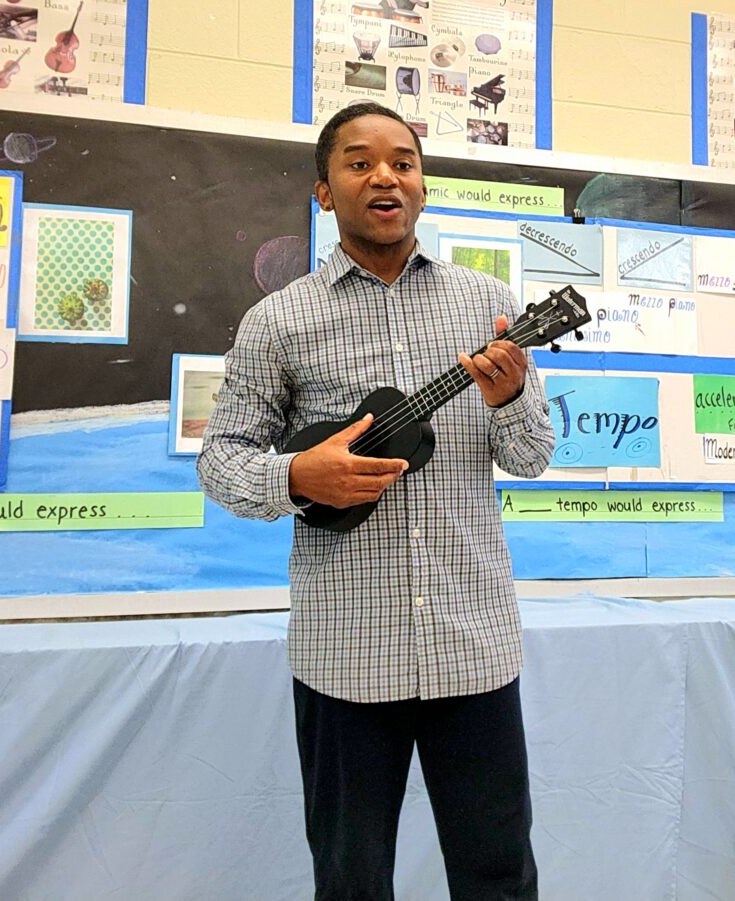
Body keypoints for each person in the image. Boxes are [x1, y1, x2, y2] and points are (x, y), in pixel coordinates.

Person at [196, 101, 554, 900]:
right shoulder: (277, 322)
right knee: (350, 877)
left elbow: (530, 457)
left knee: (499, 872)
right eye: (358, 162)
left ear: (423, 188)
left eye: (403, 161)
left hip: (475, 646)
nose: (385, 174)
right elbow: (221, 461)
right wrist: (294, 477)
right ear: (324, 191)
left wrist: (510, 399)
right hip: (344, 658)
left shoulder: (486, 304)